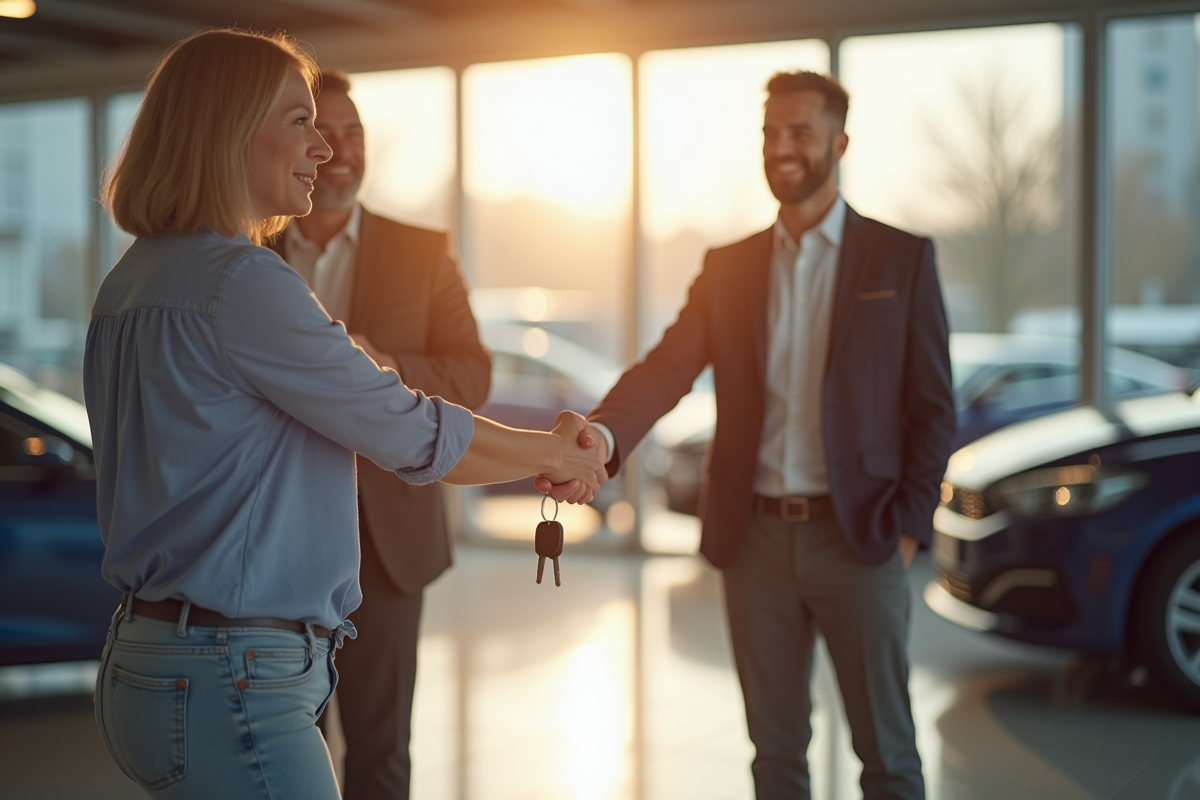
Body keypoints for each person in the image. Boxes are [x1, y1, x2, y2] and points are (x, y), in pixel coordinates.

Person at [87, 28, 602, 800]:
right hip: (233, 678)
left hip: (144, 659)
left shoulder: (129, 281)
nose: (323, 151)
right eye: (300, 122)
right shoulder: (245, 282)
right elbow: (410, 430)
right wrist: (557, 452)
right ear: (231, 130)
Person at [546, 71, 956, 799]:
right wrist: (604, 439)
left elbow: (932, 409)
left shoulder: (900, 259)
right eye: (770, 133)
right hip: (756, 541)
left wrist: (909, 529)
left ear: (840, 143)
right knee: (774, 755)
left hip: (860, 537)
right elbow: (668, 366)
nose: (782, 147)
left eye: (800, 132)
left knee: (888, 757)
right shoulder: (729, 268)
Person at [269, 70, 488, 800]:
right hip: (276, 540)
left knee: (382, 755)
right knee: (284, 746)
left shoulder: (422, 251)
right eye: (322, 131)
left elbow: (472, 373)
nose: (341, 148)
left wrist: (387, 366)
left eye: (354, 131)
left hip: (386, 544)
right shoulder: (250, 256)